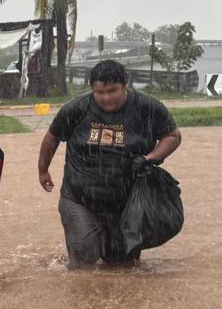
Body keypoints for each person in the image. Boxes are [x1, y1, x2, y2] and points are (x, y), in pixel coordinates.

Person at [37, 58, 182, 269]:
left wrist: (150, 158)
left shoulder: (147, 108)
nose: (106, 98)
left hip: (128, 203)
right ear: (92, 90)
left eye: (112, 91)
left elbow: (172, 136)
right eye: (99, 92)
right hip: (79, 199)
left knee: (122, 266)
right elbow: (52, 137)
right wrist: (43, 170)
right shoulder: (77, 109)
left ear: (126, 84)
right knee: (83, 261)